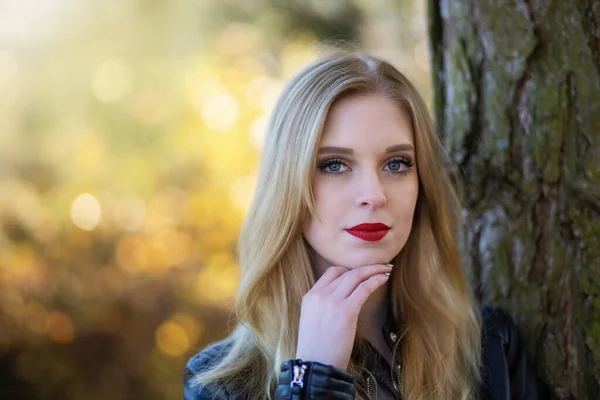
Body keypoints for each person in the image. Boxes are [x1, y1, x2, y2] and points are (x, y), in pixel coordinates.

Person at [183, 52, 550, 400]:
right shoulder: (222, 385)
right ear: (288, 186)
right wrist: (314, 378)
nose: (373, 195)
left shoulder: (489, 347)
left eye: (396, 164)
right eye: (334, 165)